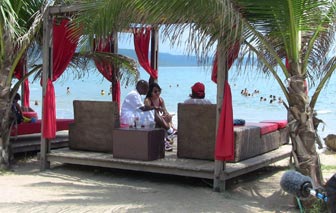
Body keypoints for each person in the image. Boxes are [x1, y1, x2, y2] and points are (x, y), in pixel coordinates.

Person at [120, 80, 175, 151]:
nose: (147, 90)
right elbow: (143, 108)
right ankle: (169, 131)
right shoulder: (134, 94)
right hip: (128, 119)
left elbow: (141, 109)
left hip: (132, 117)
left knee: (155, 119)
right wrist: (155, 108)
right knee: (153, 113)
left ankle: (163, 142)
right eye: (146, 88)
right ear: (141, 87)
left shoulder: (136, 94)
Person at [144, 83, 176, 150]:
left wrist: (167, 116)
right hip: (150, 120)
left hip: (159, 120)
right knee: (154, 113)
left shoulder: (160, 100)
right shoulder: (148, 100)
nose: (158, 93)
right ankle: (168, 135)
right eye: (155, 91)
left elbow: (165, 111)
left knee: (167, 118)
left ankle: (166, 139)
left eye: (159, 91)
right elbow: (148, 112)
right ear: (150, 92)